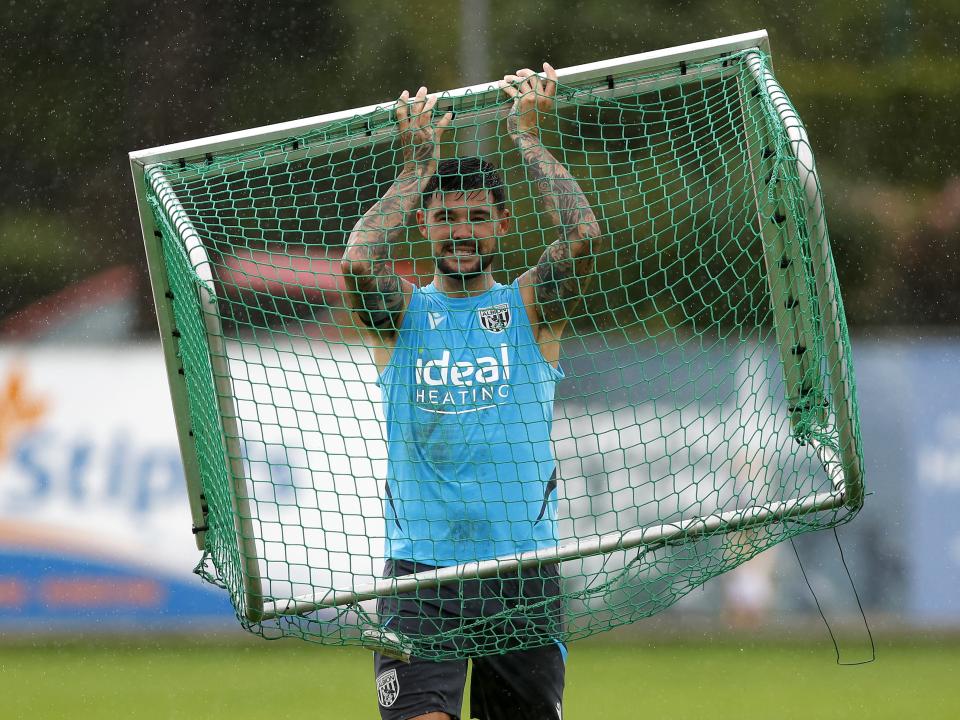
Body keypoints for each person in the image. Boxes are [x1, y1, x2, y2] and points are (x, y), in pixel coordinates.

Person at [341, 62, 600, 720]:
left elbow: (582, 237)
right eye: (446, 216)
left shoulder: (530, 309)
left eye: (478, 217)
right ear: (423, 224)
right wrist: (417, 168)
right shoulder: (402, 314)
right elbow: (358, 259)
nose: (461, 231)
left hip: (521, 572)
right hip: (421, 575)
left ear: (503, 224)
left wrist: (527, 139)